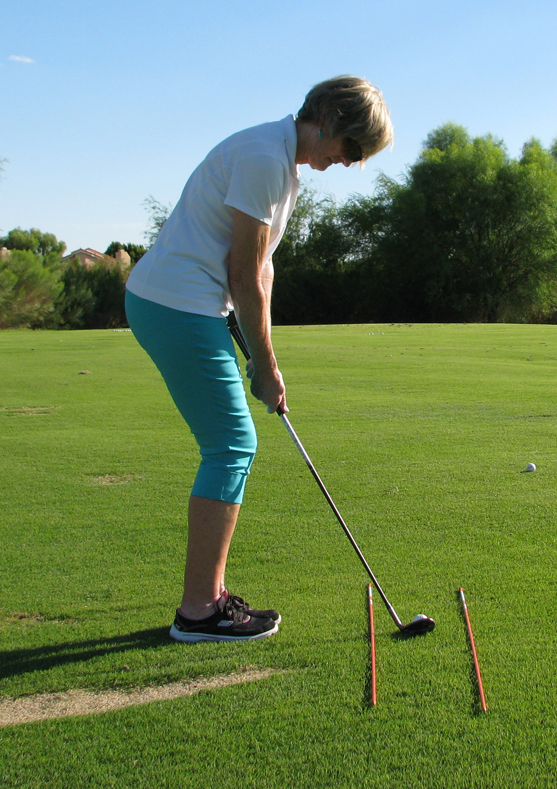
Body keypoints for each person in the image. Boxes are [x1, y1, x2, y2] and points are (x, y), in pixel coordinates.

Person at [125, 76, 393, 642]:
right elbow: (241, 275)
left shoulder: (281, 164)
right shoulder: (264, 158)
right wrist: (264, 366)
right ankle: (199, 609)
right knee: (231, 445)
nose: (348, 163)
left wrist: (263, 362)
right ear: (328, 120)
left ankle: (207, 600)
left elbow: (262, 269)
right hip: (177, 303)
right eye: (351, 149)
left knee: (231, 444)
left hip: (182, 302)